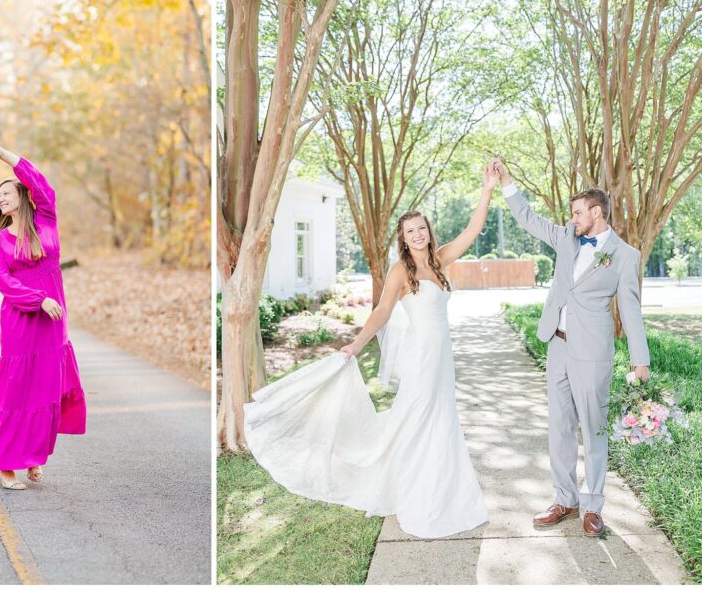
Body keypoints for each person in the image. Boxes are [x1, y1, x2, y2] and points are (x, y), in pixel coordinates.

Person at [242, 164, 498, 538]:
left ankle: (444, 486)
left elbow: (473, 230)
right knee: (417, 419)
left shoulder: (441, 260)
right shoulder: (401, 271)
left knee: (441, 419)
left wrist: (487, 189)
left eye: (421, 228)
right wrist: (355, 345)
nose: (417, 235)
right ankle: (414, 488)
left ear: (428, 231)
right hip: (421, 359)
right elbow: (381, 311)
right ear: (403, 238)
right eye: (410, 231)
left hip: (442, 358)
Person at [493, 158, 650, 537]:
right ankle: (565, 499)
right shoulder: (566, 237)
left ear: (597, 213)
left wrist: (639, 360)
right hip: (557, 346)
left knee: (594, 429)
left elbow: (629, 307)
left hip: (593, 352)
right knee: (560, 428)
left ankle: (593, 506)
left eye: (578, 212)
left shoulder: (624, 255)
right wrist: (508, 184)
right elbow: (530, 220)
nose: (573, 217)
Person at [0, 135, 86, 490]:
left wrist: (0, 153)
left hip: (53, 323)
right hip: (21, 320)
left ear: (23, 197)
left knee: (46, 389)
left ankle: (30, 455)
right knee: (18, 390)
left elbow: (40, 182)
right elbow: (4, 282)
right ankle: (4, 463)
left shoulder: (46, 220)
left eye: (6, 192)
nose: (0, 198)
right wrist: (38, 300)